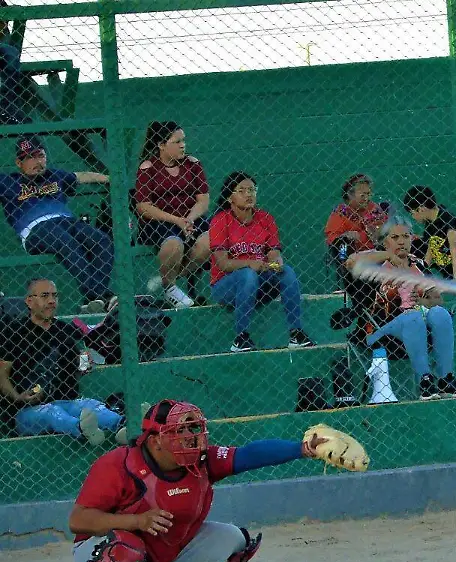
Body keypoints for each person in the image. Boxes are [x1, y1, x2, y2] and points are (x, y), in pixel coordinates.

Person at [56, 399, 362, 562]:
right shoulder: (118, 464)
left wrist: (303, 448)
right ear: (154, 439)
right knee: (126, 549)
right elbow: (78, 521)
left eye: (193, 429)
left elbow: (249, 454)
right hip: (105, 555)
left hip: (162, 553)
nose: (190, 438)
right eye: (178, 431)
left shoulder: (201, 461)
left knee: (234, 540)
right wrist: (135, 521)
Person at [344, 219, 456, 402]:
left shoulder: (418, 264)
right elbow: (351, 262)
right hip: (382, 330)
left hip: (420, 329)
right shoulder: (375, 265)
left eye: (405, 236)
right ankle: (425, 380)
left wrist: (423, 300)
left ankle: (445, 378)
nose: (401, 241)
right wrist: (388, 255)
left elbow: (437, 300)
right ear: (384, 242)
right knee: (413, 318)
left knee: (440, 313)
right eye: (395, 237)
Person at [0, 278, 122, 445]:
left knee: (90, 405)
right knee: (52, 412)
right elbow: (2, 372)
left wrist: (85, 363)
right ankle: (82, 429)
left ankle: (123, 425)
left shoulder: (66, 330)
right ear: (29, 301)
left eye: (55, 296)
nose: (52, 301)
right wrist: (18, 396)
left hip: (66, 402)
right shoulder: (14, 332)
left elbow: (80, 366)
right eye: (45, 296)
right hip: (26, 411)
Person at [0, 136, 113, 313]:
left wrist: (111, 178)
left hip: (66, 221)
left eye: (40, 155)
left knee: (102, 240)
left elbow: (80, 176)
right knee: (66, 242)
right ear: (18, 163)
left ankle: (94, 300)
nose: (37, 162)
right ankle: (100, 295)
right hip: (35, 229)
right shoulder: (7, 181)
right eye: (30, 157)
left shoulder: (54, 175)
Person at [208, 171, 314, 353]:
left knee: (287, 272)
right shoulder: (220, 220)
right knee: (247, 275)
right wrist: (250, 263)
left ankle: (296, 333)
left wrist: (276, 262)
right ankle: (241, 338)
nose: (248, 194)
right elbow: (223, 264)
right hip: (226, 287)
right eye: (242, 191)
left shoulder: (265, 218)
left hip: (259, 283)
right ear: (230, 197)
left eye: (252, 190)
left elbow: (273, 252)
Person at [133, 121, 212, 308]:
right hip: (161, 221)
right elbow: (143, 207)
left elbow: (203, 200)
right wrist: (177, 220)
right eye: (177, 142)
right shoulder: (148, 168)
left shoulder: (193, 164)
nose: (183, 145)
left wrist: (189, 218)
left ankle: (170, 280)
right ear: (162, 145)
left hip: (191, 218)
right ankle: (170, 288)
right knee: (174, 244)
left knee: (211, 240)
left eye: (183, 141)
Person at [324, 173, 389, 290]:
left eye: (368, 194)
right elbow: (332, 238)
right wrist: (345, 236)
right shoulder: (340, 213)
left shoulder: (374, 209)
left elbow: (387, 228)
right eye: (363, 195)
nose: (367, 198)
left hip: (380, 255)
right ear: (350, 194)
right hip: (355, 259)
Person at [403, 185, 456, 282]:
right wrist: (422, 272)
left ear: (421, 209)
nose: (413, 217)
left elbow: (454, 248)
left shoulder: (446, 219)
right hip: (448, 274)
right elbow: (430, 251)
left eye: (412, 213)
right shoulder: (429, 223)